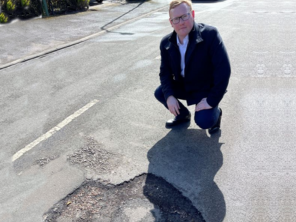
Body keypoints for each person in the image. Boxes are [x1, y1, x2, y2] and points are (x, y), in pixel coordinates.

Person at [154, 0, 231, 134]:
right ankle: (182, 115)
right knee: (161, 92)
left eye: (185, 16)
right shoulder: (166, 43)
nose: (181, 22)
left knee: (204, 121)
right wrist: (169, 96)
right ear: (171, 22)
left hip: (205, 89)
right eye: (176, 19)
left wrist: (210, 101)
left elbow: (223, 70)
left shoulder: (210, 34)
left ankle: (216, 113)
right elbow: (164, 73)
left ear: (193, 14)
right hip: (184, 85)